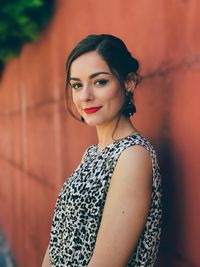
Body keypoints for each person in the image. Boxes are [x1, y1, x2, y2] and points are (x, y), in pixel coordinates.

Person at [42, 34, 162, 267]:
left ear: (128, 82)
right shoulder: (92, 154)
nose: (85, 96)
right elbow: (58, 240)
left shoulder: (132, 156)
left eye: (100, 82)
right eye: (77, 85)